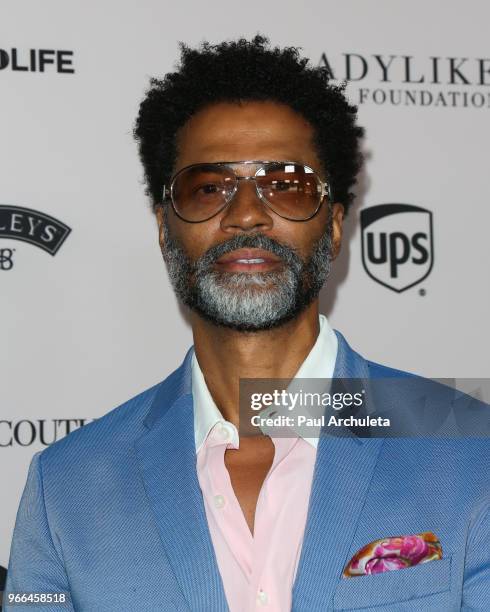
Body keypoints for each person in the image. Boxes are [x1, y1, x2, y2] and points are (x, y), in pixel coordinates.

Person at [3, 36, 489, 612]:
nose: (247, 214)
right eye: (208, 188)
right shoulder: (66, 486)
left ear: (333, 226)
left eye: (285, 184)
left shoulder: (468, 448)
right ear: (165, 229)